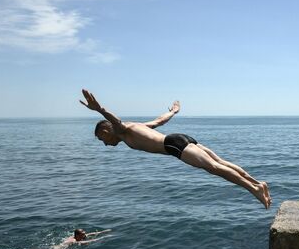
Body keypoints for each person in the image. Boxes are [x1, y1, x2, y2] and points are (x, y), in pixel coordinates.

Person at [80, 89, 271, 209]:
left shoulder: (123, 130)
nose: (104, 143)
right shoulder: (135, 126)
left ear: (106, 130)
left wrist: (100, 109)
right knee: (219, 163)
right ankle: (258, 183)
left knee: (214, 168)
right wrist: (173, 111)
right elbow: (158, 121)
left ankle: (254, 189)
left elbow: (116, 121)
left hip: (173, 145)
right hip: (180, 139)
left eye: (101, 138)